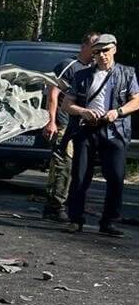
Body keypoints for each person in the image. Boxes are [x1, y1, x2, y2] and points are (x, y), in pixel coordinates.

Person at [62, 33, 139, 236]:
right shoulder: (82, 76)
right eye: (97, 52)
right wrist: (83, 111)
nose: (102, 55)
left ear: (114, 49)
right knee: (80, 177)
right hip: (87, 128)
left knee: (115, 177)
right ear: (93, 54)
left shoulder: (127, 73)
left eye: (106, 50)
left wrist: (118, 112)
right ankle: (75, 219)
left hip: (115, 130)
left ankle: (109, 222)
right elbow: (66, 104)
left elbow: (137, 101)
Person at [42, 32, 98, 220]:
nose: (97, 50)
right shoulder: (68, 66)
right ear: (84, 46)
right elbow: (53, 94)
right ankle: (55, 206)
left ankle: (69, 203)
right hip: (63, 122)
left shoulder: (94, 69)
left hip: (82, 125)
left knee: (78, 165)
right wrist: (51, 121)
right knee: (62, 164)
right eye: (94, 45)